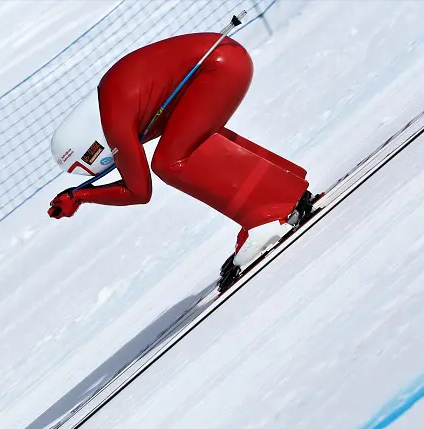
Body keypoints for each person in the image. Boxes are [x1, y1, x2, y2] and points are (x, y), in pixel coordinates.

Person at [48, 32, 313, 289]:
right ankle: (284, 190)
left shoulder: (113, 123)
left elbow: (139, 191)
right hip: (226, 57)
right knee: (190, 140)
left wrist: (82, 195)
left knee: (169, 162)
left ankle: (267, 216)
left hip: (217, 68)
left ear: (88, 150)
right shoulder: (110, 99)